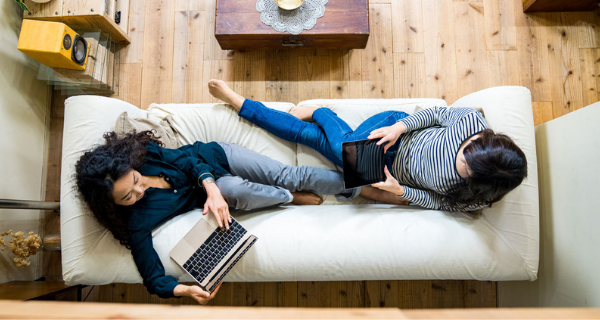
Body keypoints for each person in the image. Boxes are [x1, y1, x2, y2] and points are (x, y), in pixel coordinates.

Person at [74, 130, 360, 304]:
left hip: (217, 158)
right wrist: (183, 291)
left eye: (136, 180)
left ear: (133, 167)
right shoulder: (136, 222)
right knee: (232, 188)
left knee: (290, 175)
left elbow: (189, 160)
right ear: (112, 205)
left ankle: (363, 182)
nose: (140, 189)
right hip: (224, 190)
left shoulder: (145, 156)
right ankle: (289, 196)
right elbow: (152, 277)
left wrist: (209, 185)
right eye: (128, 196)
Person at [207, 79, 528, 213]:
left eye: (464, 167)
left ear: (477, 182)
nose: (461, 155)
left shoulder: (475, 198)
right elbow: (435, 114)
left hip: (384, 171)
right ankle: (322, 111)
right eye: (467, 147)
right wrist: (399, 126)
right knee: (344, 144)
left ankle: (239, 102)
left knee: (311, 137)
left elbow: (440, 202)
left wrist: (399, 190)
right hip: (394, 131)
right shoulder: (472, 123)